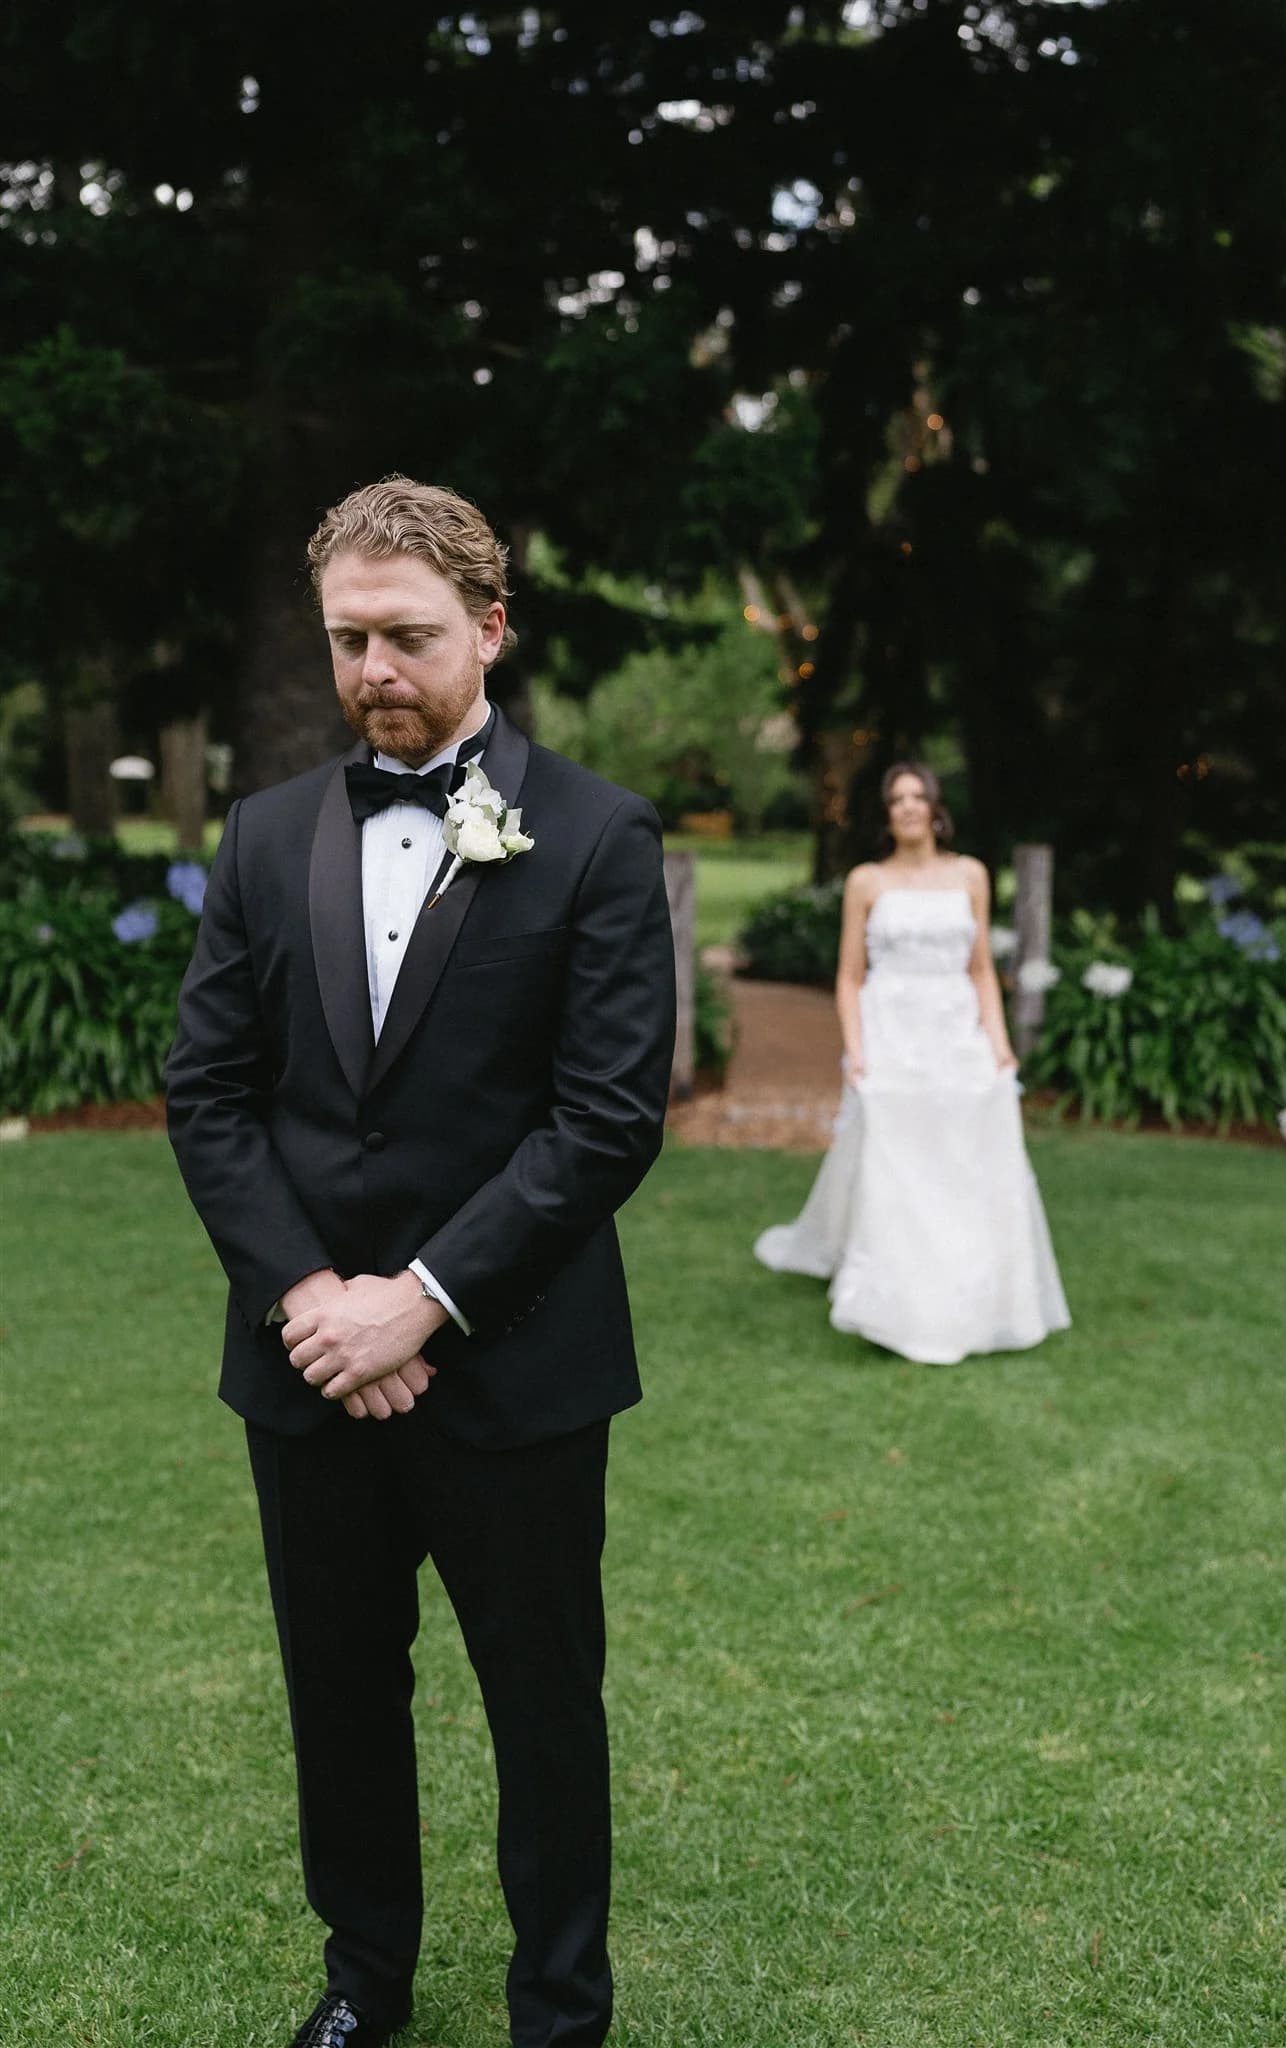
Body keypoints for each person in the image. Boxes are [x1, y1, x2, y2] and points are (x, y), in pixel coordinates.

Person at [165, 476, 676, 2048]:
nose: (374, 671)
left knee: (541, 1703)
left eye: (407, 637)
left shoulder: (593, 835)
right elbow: (208, 1089)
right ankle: (362, 1982)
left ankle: (558, 2009)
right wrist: (316, 1300)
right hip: (307, 1362)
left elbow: (603, 1122)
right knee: (338, 1693)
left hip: (511, 1362)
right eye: (347, 640)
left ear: (491, 630)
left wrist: (422, 1301)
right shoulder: (261, 840)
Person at [754, 762, 1069, 1365]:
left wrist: (1000, 1045)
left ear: (935, 807)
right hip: (891, 1033)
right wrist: (858, 1052)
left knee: (962, 1160)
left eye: (917, 797)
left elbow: (980, 970)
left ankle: (973, 1291)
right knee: (898, 1163)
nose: (907, 807)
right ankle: (891, 1299)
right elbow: (849, 978)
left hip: (955, 1032)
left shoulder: (971, 874)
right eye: (896, 799)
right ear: (887, 813)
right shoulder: (867, 882)